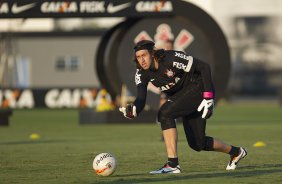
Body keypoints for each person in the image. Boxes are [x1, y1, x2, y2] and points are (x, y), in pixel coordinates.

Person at [119, 40, 247, 174]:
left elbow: (204, 67)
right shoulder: (141, 73)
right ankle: (236, 152)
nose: (141, 60)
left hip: (198, 87)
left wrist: (208, 97)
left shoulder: (171, 58)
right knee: (198, 143)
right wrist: (133, 109)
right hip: (184, 97)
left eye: (144, 55)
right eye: (138, 57)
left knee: (164, 113)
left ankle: (172, 164)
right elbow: (140, 100)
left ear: (152, 54)